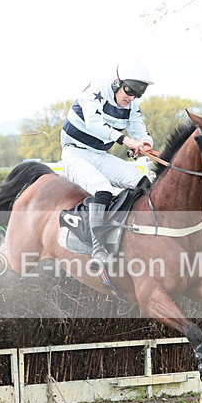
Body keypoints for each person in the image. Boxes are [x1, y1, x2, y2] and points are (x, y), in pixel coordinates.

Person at [60, 60, 155, 267]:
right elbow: (94, 124)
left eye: (138, 94)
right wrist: (126, 140)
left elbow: (139, 130)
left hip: (100, 155)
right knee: (103, 189)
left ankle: (134, 235)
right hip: (74, 154)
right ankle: (98, 248)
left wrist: (146, 142)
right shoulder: (96, 89)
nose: (131, 98)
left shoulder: (132, 104)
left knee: (144, 182)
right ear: (117, 83)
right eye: (129, 91)